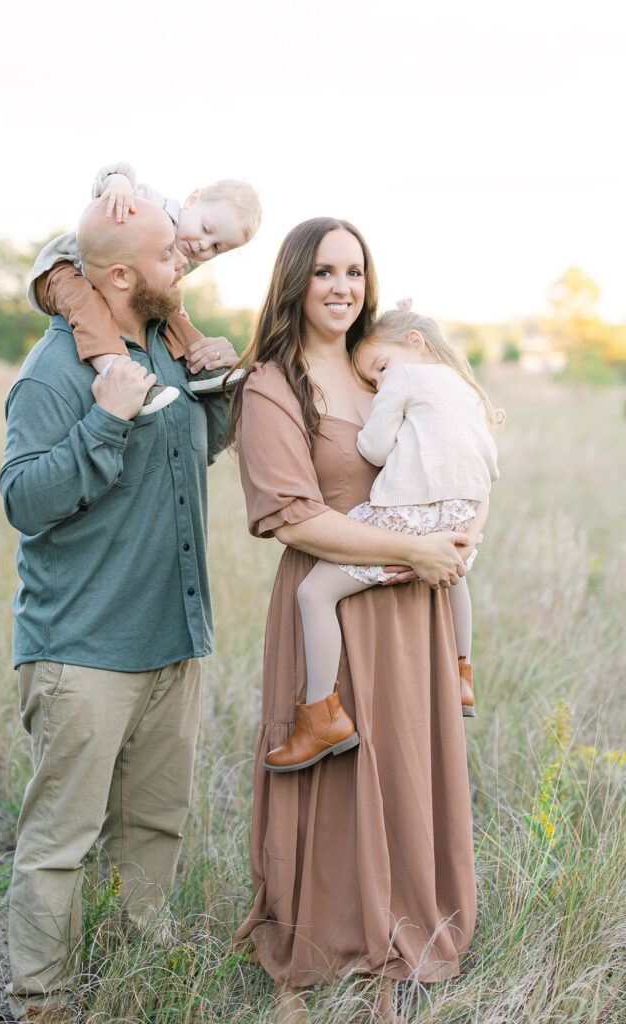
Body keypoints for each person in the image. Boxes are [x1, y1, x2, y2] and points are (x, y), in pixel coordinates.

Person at [228, 218, 477, 1023]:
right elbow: (293, 518)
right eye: (326, 272)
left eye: (356, 273)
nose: (343, 288)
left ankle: (407, 928)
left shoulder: (387, 366)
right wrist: (418, 551)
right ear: (295, 280)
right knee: (340, 772)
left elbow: (449, 446)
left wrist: (454, 540)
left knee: (407, 763)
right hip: (335, 599)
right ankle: (330, 938)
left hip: (412, 603)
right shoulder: (271, 383)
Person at [0, 197, 236, 1024]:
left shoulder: (167, 349)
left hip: (173, 640)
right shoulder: (54, 371)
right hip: (83, 651)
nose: (187, 264)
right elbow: (24, 499)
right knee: (60, 847)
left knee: (155, 831)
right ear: (125, 273)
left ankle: (137, 985)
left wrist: (218, 390)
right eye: (172, 255)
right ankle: (43, 1003)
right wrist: (106, 417)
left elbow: (194, 451)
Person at [266, 309, 501, 772]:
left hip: (410, 510)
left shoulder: (405, 379)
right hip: (462, 512)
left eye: (380, 368)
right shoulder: (469, 390)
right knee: (454, 576)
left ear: (415, 342)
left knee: (315, 592)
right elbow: (490, 470)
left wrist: (383, 420)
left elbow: (373, 448)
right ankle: (461, 674)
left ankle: (321, 716)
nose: (378, 382)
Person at [28, 160, 261, 414]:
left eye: (217, 247)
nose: (204, 245)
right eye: (206, 229)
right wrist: (117, 182)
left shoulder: (188, 249)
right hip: (64, 269)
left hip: (114, 281)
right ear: (193, 199)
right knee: (88, 308)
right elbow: (116, 180)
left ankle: (203, 367)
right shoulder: (153, 207)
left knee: (173, 313)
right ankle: (120, 376)